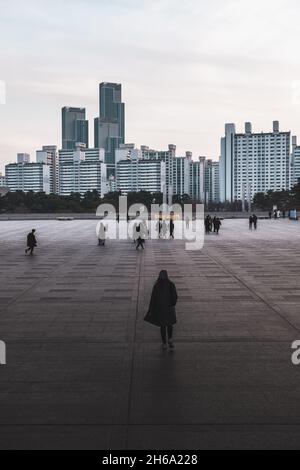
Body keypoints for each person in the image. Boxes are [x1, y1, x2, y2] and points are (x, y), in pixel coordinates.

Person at [144, 270, 178, 350]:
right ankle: (170, 339)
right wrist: (172, 304)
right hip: (169, 309)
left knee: (163, 326)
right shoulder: (171, 284)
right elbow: (175, 297)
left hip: (161, 309)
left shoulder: (157, 286)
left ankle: (164, 343)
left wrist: (151, 309)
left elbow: (153, 299)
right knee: (170, 325)